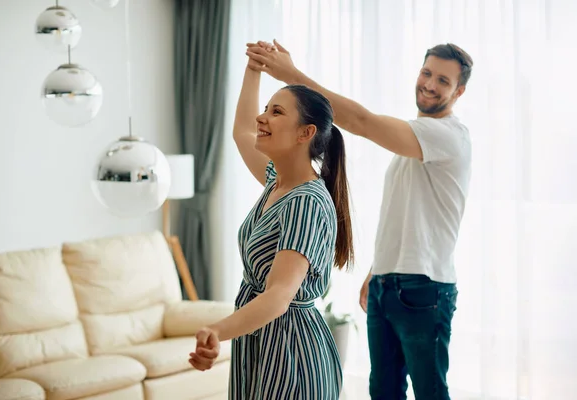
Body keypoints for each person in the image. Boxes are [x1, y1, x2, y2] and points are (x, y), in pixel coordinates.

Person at [246, 40, 473, 400]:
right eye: (426, 72)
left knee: (430, 391)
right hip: (388, 283)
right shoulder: (416, 141)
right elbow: (406, 216)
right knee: (383, 391)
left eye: (443, 80)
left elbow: (361, 122)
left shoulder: (447, 137)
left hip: (424, 289)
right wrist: (377, 270)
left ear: (459, 91)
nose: (429, 84)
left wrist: (292, 77)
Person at [188, 45, 354, 400]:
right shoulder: (275, 181)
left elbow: (280, 295)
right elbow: (241, 131)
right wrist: (254, 68)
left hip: (293, 352)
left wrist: (218, 329)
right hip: (262, 343)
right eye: (266, 109)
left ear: (305, 133)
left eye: (276, 112)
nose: (263, 117)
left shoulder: (306, 202)